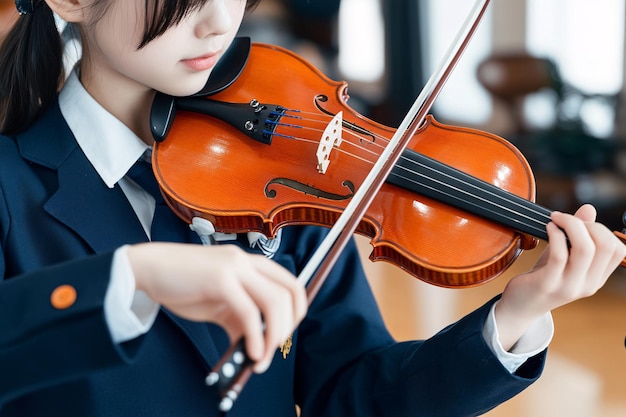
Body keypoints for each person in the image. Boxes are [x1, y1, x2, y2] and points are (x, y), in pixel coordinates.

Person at [0, 1, 624, 416]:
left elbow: (356, 397)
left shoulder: (284, 182)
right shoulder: (8, 186)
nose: (220, 19)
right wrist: (132, 280)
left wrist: (517, 316)